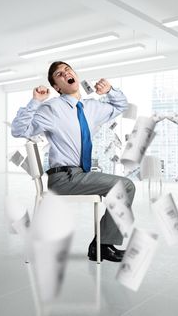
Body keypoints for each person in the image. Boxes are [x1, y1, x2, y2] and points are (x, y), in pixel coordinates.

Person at [11, 61, 135, 262]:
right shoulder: (52, 109)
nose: (65, 73)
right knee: (125, 186)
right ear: (57, 87)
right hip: (63, 178)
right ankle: (102, 246)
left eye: (67, 69)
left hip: (81, 174)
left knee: (123, 187)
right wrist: (35, 102)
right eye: (59, 74)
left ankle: (103, 244)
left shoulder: (91, 107)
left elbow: (121, 105)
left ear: (75, 74)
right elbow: (18, 130)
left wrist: (110, 91)